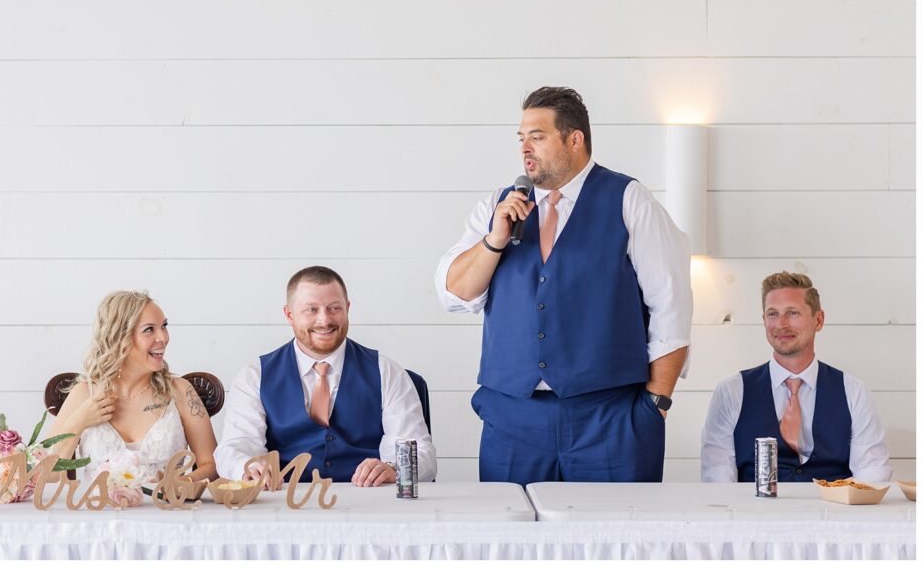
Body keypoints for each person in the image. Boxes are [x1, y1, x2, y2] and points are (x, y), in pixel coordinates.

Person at [435, 86, 692, 484]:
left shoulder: (628, 200)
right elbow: (453, 293)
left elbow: (671, 306)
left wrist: (654, 405)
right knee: (513, 542)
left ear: (575, 139)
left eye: (537, 137)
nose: (525, 149)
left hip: (608, 417)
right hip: (513, 419)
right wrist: (494, 241)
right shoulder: (497, 206)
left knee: (614, 539)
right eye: (521, 139)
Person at [215, 266, 436, 487]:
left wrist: (393, 468)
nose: (324, 320)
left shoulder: (387, 372)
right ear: (289, 314)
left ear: (347, 308)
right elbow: (235, 447)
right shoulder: (254, 377)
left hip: (370, 502)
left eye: (334, 308)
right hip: (284, 503)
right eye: (311, 309)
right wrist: (247, 467)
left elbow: (423, 454)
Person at [700, 272, 891, 483]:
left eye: (792, 313)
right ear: (764, 320)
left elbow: (872, 471)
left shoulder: (853, 391)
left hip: (834, 512)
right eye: (772, 314)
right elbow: (717, 480)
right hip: (756, 514)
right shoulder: (731, 392)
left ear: (818, 320)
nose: (781, 324)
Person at [47, 291, 218, 486]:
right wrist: (78, 423)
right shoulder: (84, 394)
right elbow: (48, 475)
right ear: (120, 338)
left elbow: (212, 464)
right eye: (149, 330)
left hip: (169, 512)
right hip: (99, 514)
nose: (163, 337)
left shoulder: (180, 391)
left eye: (164, 326)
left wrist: (179, 484)